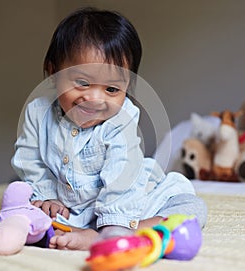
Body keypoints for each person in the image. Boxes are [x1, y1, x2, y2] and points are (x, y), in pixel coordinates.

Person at [11, 7, 207, 251]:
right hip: (69, 208)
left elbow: (122, 176)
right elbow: (30, 160)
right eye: (82, 83)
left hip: (126, 199)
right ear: (53, 73)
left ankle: (119, 232)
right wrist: (47, 196)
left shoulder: (121, 120)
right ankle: (95, 230)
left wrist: (113, 225)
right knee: (20, 206)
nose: (95, 99)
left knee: (191, 209)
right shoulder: (38, 113)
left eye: (111, 89)